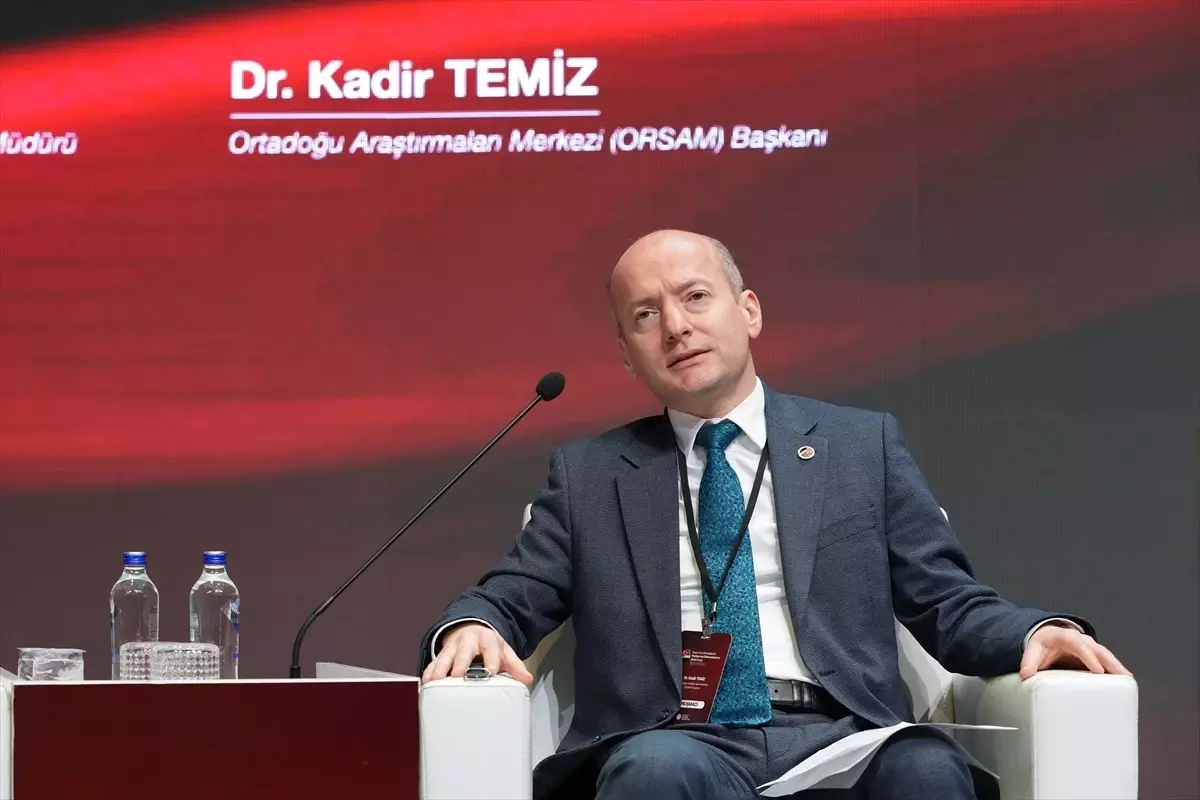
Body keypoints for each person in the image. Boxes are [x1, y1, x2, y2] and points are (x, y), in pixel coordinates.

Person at [419, 229, 1130, 800]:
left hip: (842, 731)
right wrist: (474, 623)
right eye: (645, 316)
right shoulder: (592, 475)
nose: (676, 327)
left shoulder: (860, 447)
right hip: (677, 739)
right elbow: (516, 591)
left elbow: (945, 599)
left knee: (927, 768)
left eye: (696, 297)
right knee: (655, 772)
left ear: (749, 311)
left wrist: (1036, 630)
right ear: (628, 356)